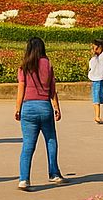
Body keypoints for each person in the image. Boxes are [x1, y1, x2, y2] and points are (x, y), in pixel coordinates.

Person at [15, 36, 66, 191]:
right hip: (44, 106)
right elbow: (52, 89)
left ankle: (24, 179)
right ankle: (54, 173)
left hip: (28, 107)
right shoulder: (48, 64)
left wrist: (18, 108)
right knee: (51, 140)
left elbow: (21, 89)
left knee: (28, 145)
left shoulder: (24, 66)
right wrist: (56, 106)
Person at [88, 39, 103, 123]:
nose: (93, 49)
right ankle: (97, 116)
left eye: (95, 47)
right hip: (96, 79)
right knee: (97, 99)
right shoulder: (96, 56)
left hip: (101, 79)